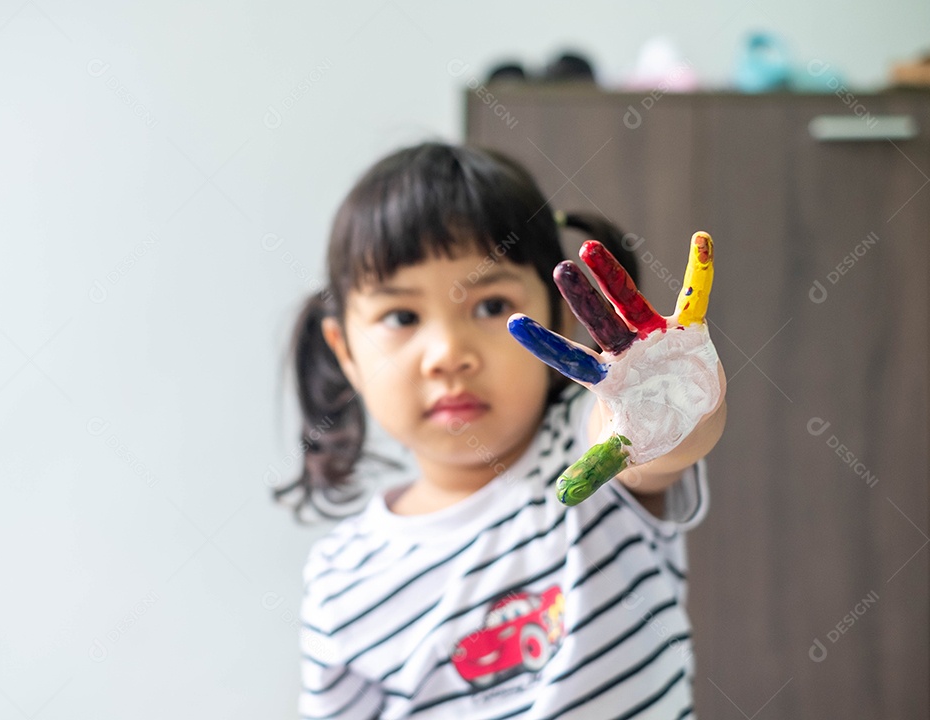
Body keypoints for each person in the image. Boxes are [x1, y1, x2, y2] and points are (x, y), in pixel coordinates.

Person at [276, 141, 727, 719]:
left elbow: (654, 450)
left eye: (490, 306)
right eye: (401, 317)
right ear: (345, 352)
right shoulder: (342, 577)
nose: (447, 354)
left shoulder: (589, 447)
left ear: (561, 318)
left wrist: (674, 401)